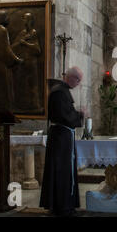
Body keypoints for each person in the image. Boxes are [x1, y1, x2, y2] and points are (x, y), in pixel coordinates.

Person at [40, 67, 85, 217]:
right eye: (78, 80)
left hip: (63, 137)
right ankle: (62, 206)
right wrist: (80, 115)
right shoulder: (59, 92)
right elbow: (64, 116)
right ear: (71, 77)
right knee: (61, 171)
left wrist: (77, 114)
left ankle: (65, 204)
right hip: (60, 138)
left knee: (64, 171)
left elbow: (67, 113)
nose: (79, 83)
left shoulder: (61, 90)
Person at [11, 12, 42, 113]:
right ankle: (21, 106)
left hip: (31, 63)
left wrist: (25, 43)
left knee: (32, 85)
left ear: (30, 21)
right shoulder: (22, 33)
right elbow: (12, 47)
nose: (24, 21)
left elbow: (38, 50)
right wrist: (20, 42)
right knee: (21, 85)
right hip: (22, 63)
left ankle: (34, 106)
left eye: (25, 19)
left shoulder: (33, 33)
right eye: (23, 19)